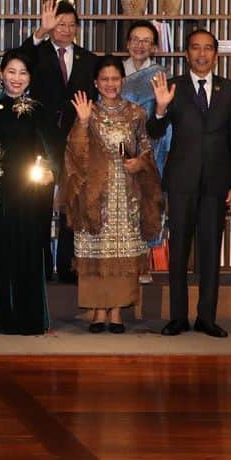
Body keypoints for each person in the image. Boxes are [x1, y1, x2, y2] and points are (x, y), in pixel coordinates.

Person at [149, 29, 231, 338]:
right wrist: (161, 107)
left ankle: (206, 317)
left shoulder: (229, 89)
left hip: (217, 184)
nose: (201, 54)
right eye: (195, 48)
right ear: (186, 54)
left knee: (209, 251)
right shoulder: (172, 86)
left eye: (207, 49)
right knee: (178, 251)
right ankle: (178, 317)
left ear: (216, 55)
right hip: (181, 180)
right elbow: (154, 129)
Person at [63, 56, 162, 333]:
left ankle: (117, 311)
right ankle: (96, 311)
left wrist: (139, 163)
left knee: (124, 252)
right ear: (96, 83)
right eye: (104, 79)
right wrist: (82, 123)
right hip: (95, 195)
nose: (110, 84)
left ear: (123, 81)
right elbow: (74, 154)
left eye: (115, 79)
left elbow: (146, 149)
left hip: (127, 194)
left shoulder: (135, 113)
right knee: (94, 251)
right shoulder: (88, 112)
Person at [0, 50, 56, 335]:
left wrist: (52, 171)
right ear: (1, 73)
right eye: (11, 72)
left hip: (30, 192)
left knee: (27, 252)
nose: (16, 79)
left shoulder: (39, 109)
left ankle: (29, 318)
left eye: (23, 73)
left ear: (30, 78)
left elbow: (52, 149)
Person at [20, 0, 97, 283]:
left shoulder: (88, 59)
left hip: (77, 141)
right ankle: (39, 267)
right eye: (59, 24)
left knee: (72, 206)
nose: (65, 29)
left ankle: (68, 267)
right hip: (41, 142)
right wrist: (39, 32)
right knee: (38, 203)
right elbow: (15, 60)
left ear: (77, 27)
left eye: (70, 24)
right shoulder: (36, 55)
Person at [121, 20, 171, 174]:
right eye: (135, 40)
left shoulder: (160, 77)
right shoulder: (113, 74)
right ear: (128, 44)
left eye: (146, 41)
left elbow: (167, 123)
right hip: (116, 143)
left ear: (154, 48)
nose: (139, 45)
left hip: (150, 146)